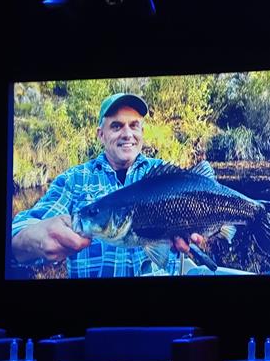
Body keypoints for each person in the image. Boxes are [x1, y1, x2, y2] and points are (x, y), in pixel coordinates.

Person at [11, 93, 202, 278]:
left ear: (142, 132)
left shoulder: (165, 175)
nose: (127, 134)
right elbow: (16, 232)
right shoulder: (75, 180)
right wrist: (33, 238)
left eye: (134, 125)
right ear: (101, 135)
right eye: (117, 126)